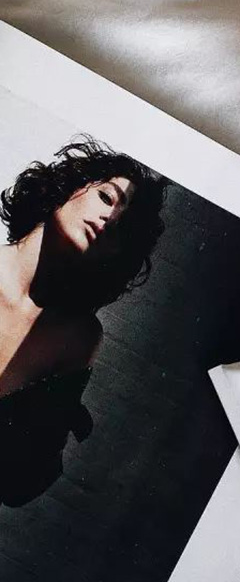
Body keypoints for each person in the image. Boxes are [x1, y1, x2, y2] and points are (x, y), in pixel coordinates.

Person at [0, 136, 167, 504]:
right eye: (107, 197)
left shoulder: (78, 338)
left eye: (125, 226)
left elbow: (19, 487)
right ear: (66, 188)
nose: (111, 218)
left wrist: (51, 415)